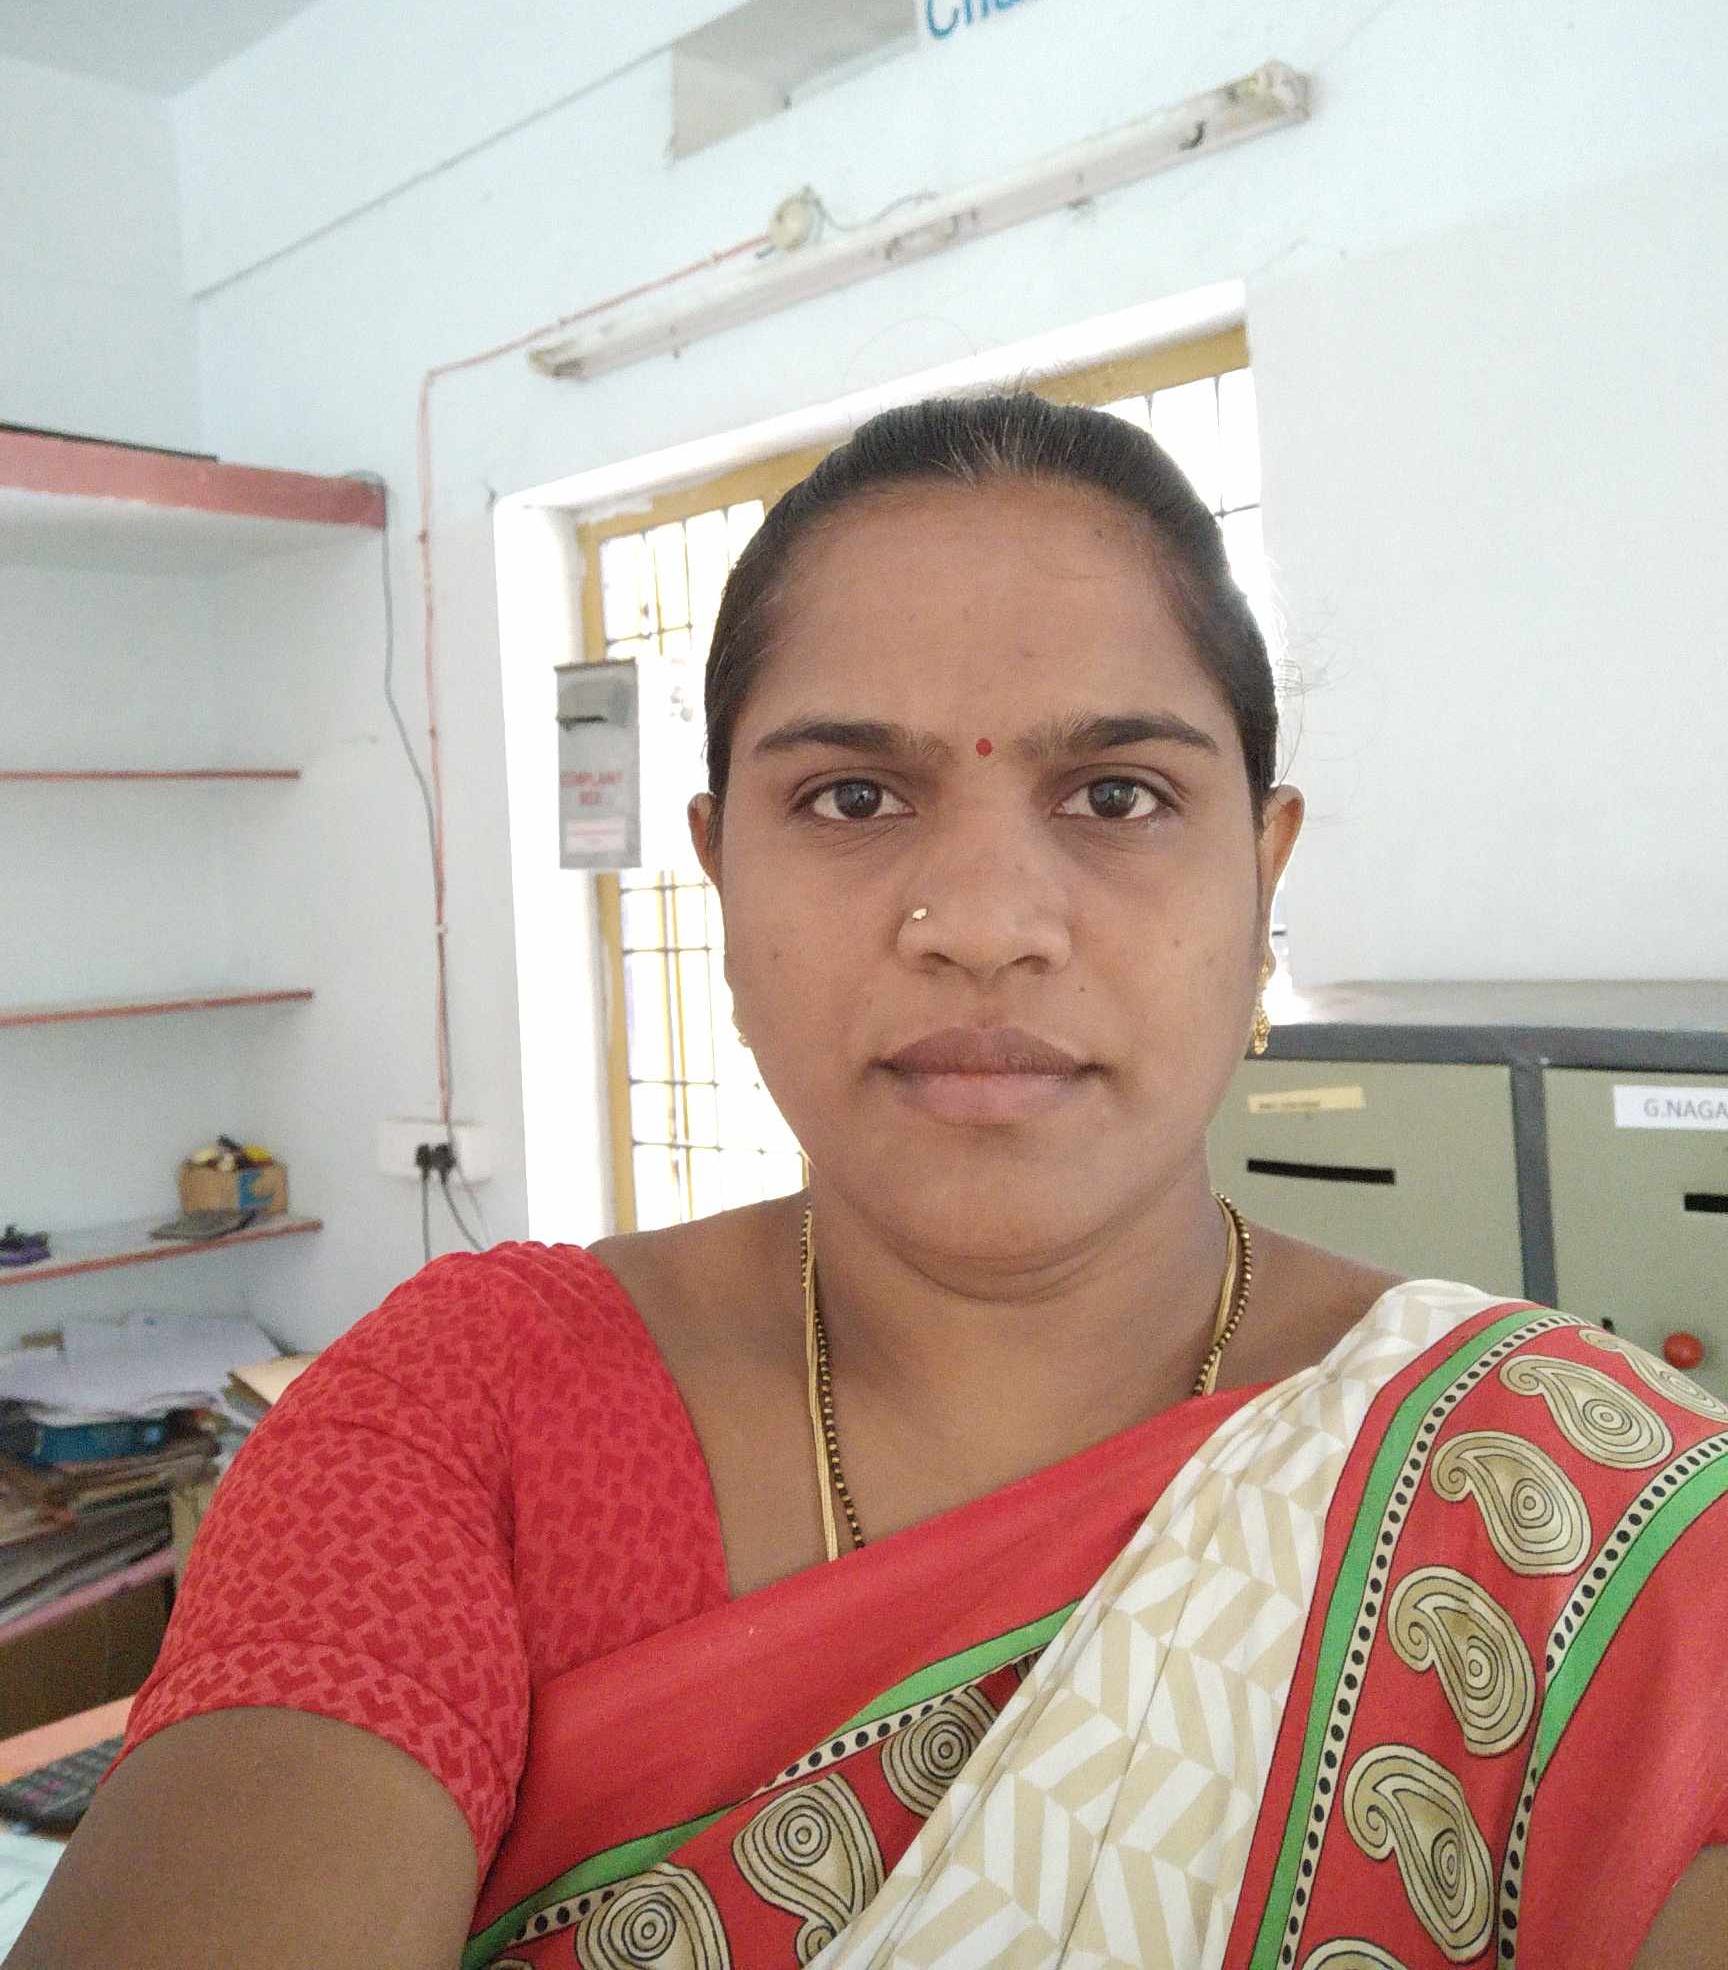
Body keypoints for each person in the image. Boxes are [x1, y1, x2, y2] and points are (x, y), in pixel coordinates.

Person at [12, 392, 1726, 1970]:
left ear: (1263, 877)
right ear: (719, 875)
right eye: (850, 797)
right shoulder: (467, 1421)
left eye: (1117, 793)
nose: (981, 924)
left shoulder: (1573, 1510)